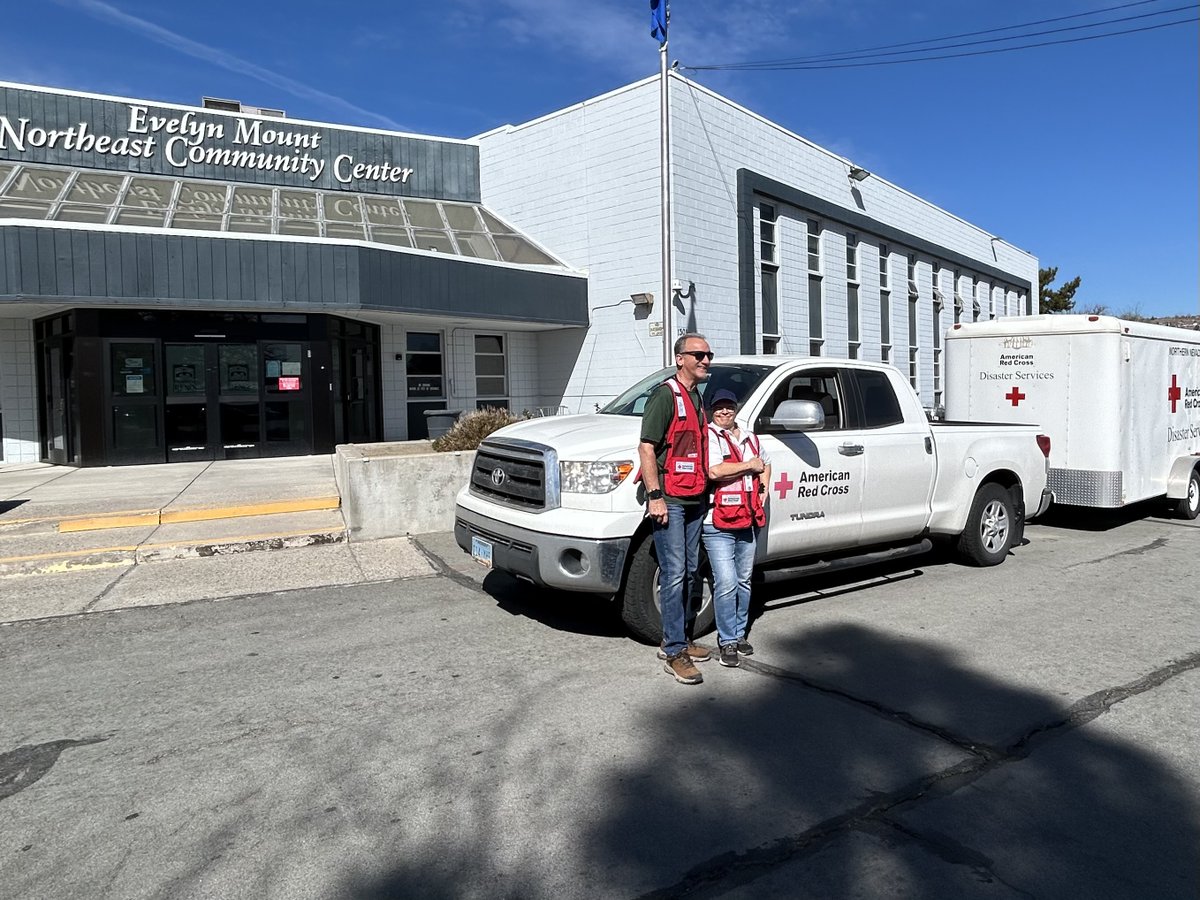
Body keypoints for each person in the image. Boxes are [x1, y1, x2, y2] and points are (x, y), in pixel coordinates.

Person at [638, 333, 714, 685]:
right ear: (680, 358)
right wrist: (655, 496)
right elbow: (646, 448)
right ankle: (673, 652)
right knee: (674, 573)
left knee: (689, 571)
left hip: (694, 497)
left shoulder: (696, 396)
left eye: (708, 354)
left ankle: (678, 637)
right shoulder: (665, 396)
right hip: (670, 499)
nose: (705, 360)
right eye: (698, 354)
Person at [701, 388, 770, 668]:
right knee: (726, 582)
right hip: (716, 521)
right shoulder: (709, 435)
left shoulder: (751, 438)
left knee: (744, 580)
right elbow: (714, 471)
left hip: (747, 519)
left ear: (736, 409)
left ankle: (739, 634)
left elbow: (765, 463)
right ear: (711, 411)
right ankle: (727, 640)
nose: (724, 411)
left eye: (728, 406)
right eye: (719, 407)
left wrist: (763, 489)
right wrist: (749, 465)